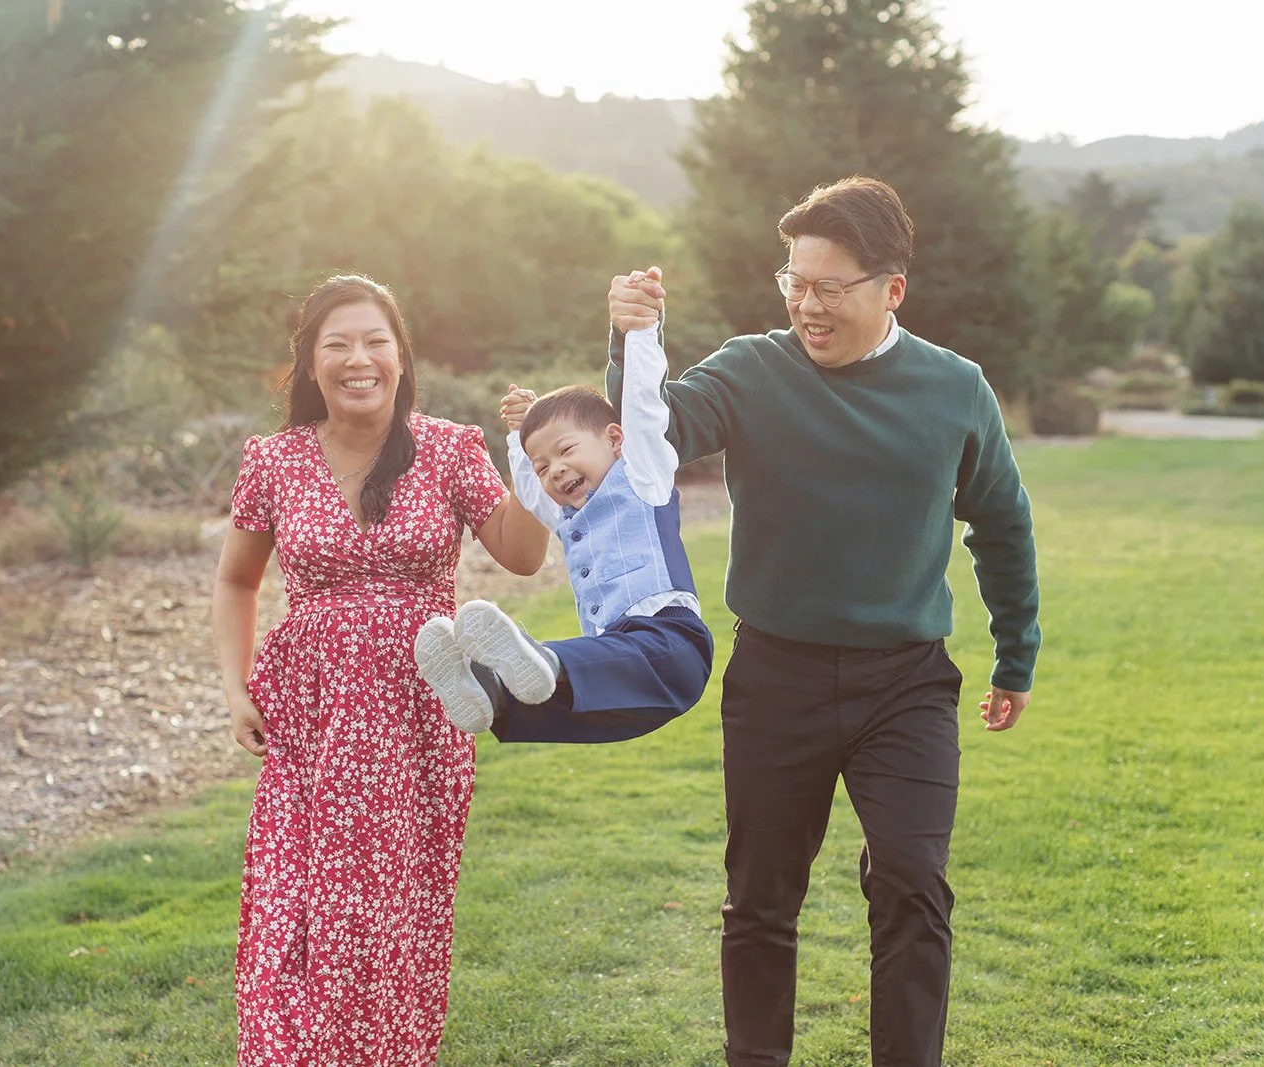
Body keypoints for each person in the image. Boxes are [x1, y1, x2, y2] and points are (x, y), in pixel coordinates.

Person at [606, 176, 1041, 1067]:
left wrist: (1015, 652)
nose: (807, 305)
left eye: (830, 287)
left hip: (907, 682)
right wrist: (630, 337)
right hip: (777, 675)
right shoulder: (750, 368)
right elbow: (652, 434)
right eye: (795, 283)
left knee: (914, 884)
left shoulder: (955, 388)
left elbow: (1000, 520)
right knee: (760, 899)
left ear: (892, 289)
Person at [211, 274, 550, 1067]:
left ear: (400, 356)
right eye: (337, 344)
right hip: (311, 718)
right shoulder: (274, 459)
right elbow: (236, 580)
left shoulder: (450, 449)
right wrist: (235, 690)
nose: (357, 358)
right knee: (295, 908)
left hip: (419, 715)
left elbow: (525, 553)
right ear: (310, 363)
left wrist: (529, 455)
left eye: (374, 341)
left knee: (391, 914)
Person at [411, 324, 713, 744]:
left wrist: (640, 330)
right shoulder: (568, 517)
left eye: (566, 451)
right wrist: (519, 439)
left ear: (614, 440)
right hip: (614, 666)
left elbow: (643, 405)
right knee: (558, 699)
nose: (555, 469)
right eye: (543, 465)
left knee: (562, 670)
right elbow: (533, 497)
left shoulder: (642, 475)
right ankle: (486, 687)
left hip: (670, 643)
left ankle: (541, 660)